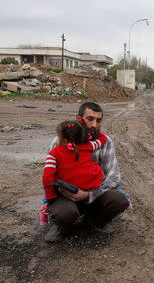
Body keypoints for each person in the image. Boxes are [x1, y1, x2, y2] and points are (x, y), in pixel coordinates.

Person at [43, 102, 129, 242]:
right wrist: (58, 194)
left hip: (95, 195)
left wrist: (88, 194)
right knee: (65, 214)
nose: (94, 125)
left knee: (118, 200)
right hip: (67, 195)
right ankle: (62, 225)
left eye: (98, 120)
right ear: (79, 119)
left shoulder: (105, 142)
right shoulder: (59, 142)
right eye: (90, 119)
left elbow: (114, 178)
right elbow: (49, 174)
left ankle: (94, 220)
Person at [43, 120, 108, 202]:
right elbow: (103, 138)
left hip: (68, 188)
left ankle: (45, 207)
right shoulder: (89, 146)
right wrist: (88, 131)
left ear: (65, 140)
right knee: (97, 167)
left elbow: (47, 176)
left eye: (58, 136)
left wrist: (50, 197)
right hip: (90, 185)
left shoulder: (54, 153)